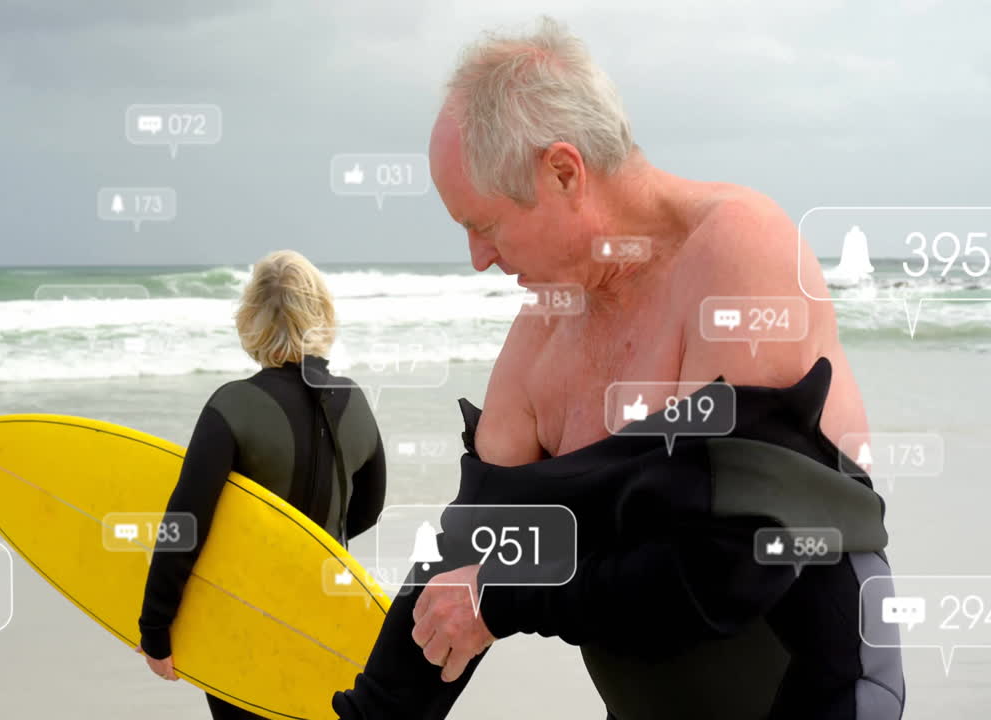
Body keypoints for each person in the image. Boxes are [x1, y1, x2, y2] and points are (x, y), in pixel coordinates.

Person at [332, 18, 904, 720]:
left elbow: (729, 568)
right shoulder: (540, 335)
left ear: (564, 172)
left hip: (818, 691)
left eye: (482, 226)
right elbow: (462, 564)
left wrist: (502, 598)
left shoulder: (737, 257)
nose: (478, 258)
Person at [138, 250, 388, 719]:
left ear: (251, 318)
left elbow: (184, 525)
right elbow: (369, 508)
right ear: (322, 315)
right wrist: (316, 540)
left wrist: (155, 627)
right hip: (327, 619)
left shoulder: (233, 406)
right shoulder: (355, 401)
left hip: (244, 623)